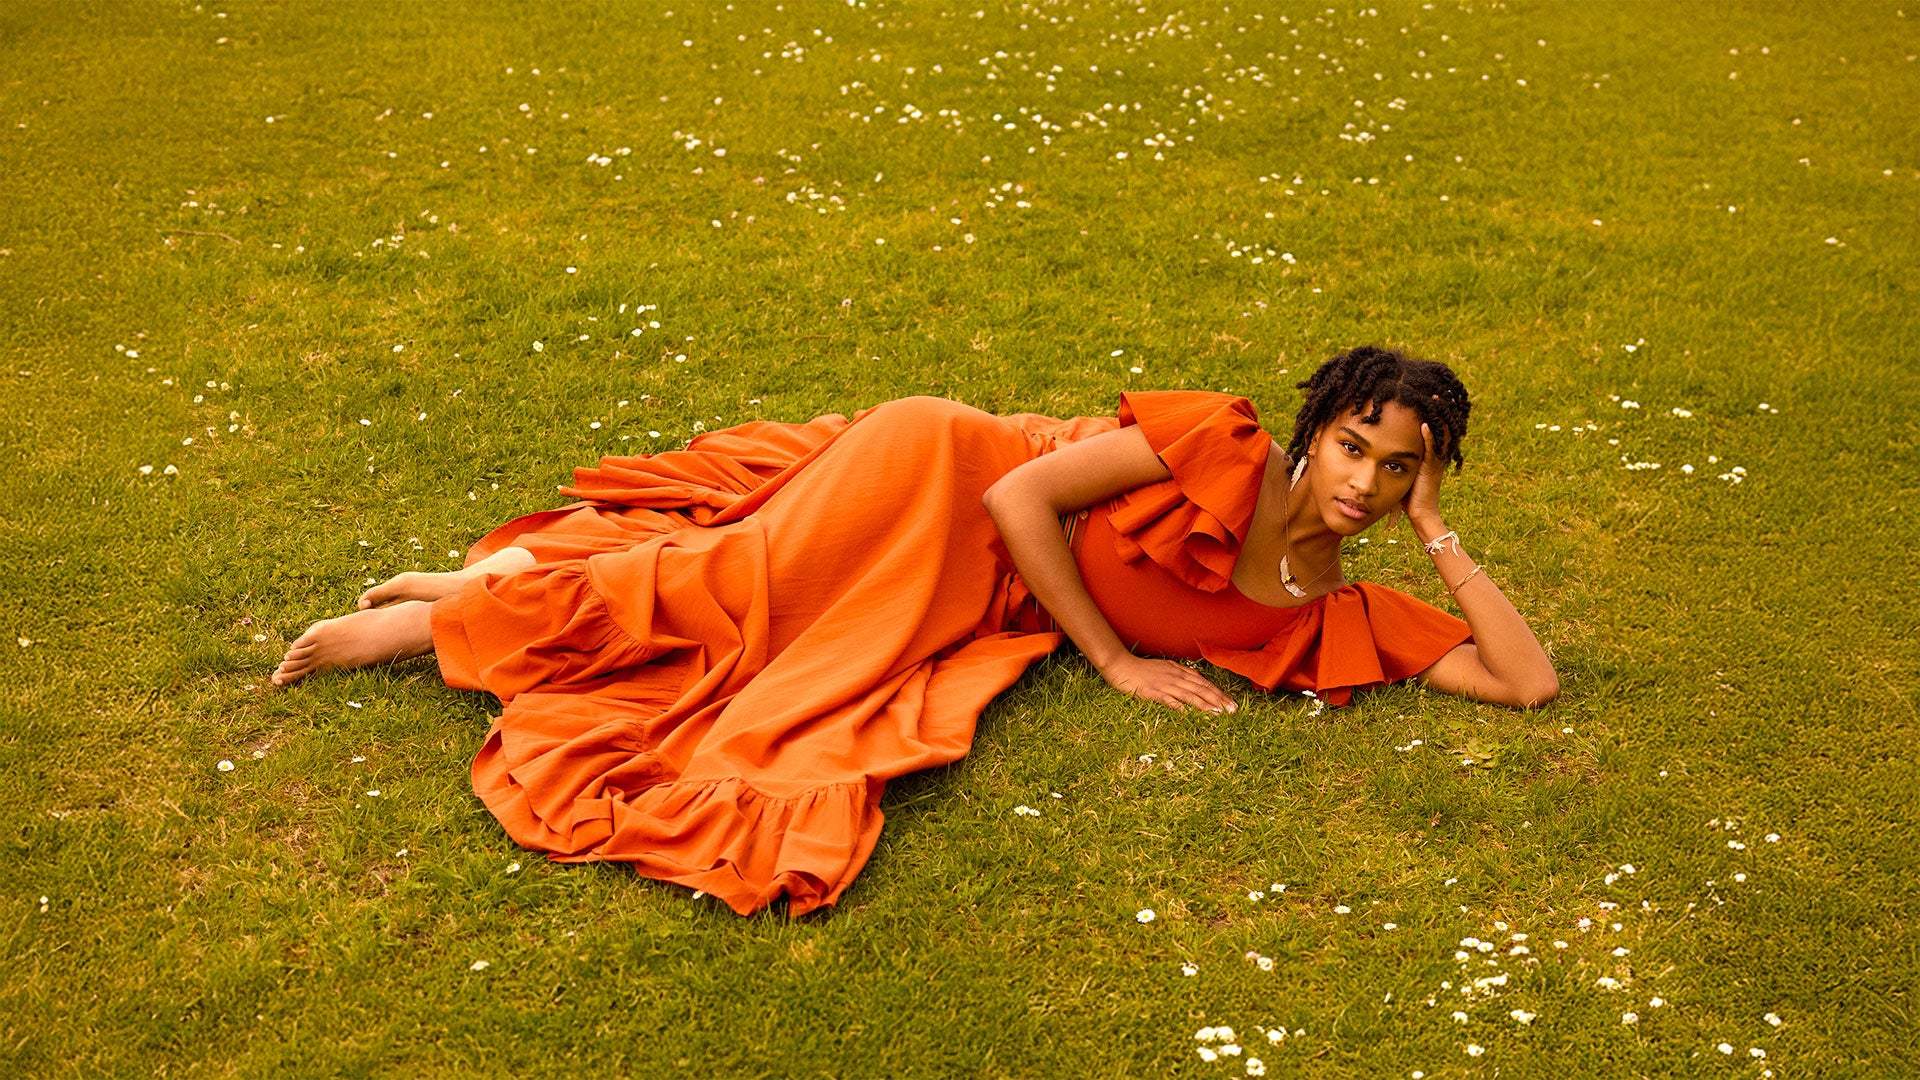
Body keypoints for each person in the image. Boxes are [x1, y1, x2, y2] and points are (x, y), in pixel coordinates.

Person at [269, 345, 1557, 915]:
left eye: (1399, 472)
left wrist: (1441, 532)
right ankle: (451, 612)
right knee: (748, 588)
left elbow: (1525, 683)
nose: (1363, 484)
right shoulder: (1213, 443)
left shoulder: (1332, 607)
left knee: (776, 630)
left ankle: (476, 594)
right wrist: (1113, 660)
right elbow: (1011, 491)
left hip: (992, 591)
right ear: (1315, 423)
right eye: (1354, 447)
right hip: (944, 473)